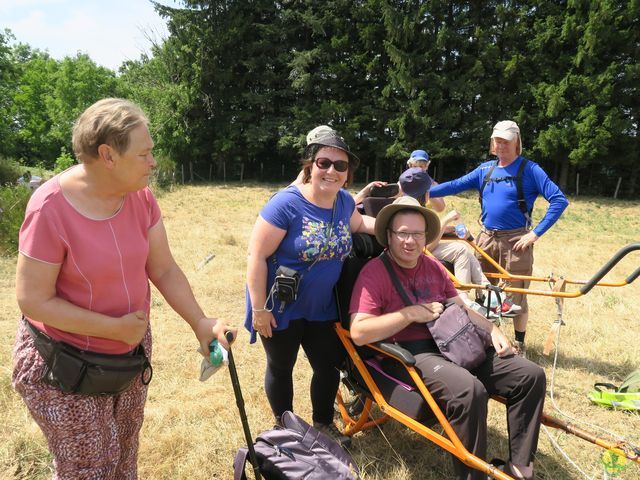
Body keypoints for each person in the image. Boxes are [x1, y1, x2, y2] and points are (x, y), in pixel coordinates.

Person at [12, 98, 235, 479]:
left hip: (126, 356)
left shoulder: (141, 196)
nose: (153, 163)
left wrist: (200, 322)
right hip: (63, 364)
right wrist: (112, 328)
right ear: (107, 155)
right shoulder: (49, 209)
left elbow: (162, 268)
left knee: (122, 458)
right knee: (89, 469)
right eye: (144, 154)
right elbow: (32, 300)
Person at [349, 197, 546, 480]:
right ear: (389, 236)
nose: (410, 241)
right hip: (411, 352)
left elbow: (462, 308)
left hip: (454, 340)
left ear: (426, 236)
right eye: (402, 233)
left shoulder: (433, 266)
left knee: (530, 375)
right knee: (470, 390)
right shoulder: (374, 273)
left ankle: (520, 468)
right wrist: (408, 315)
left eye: (417, 233)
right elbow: (358, 332)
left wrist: (493, 330)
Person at [245, 126, 374, 446]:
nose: (331, 171)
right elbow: (256, 256)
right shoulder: (285, 204)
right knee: (281, 366)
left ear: (348, 173)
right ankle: (286, 428)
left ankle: (323, 424)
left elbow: (362, 225)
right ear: (310, 165)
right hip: (280, 305)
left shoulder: (344, 203)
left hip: (321, 306)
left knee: (327, 365)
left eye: (340, 166)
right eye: (324, 163)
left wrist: (403, 225)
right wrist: (259, 310)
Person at [430, 120, 569, 356]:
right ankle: (489, 339)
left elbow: (559, 200)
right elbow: (454, 186)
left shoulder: (530, 170)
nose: (501, 145)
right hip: (485, 240)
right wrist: (416, 189)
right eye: (497, 140)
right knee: (484, 293)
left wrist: (534, 234)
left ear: (517, 142)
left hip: (517, 241)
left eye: (506, 140)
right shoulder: (485, 170)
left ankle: (520, 344)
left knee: (517, 296)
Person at [398, 167, 512, 314]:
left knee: (464, 251)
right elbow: (425, 247)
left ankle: (488, 292)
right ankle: (464, 298)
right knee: (460, 250)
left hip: (417, 249)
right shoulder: (411, 209)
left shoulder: (408, 205)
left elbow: (426, 234)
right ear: (425, 192)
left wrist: (447, 229)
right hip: (414, 253)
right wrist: (445, 221)